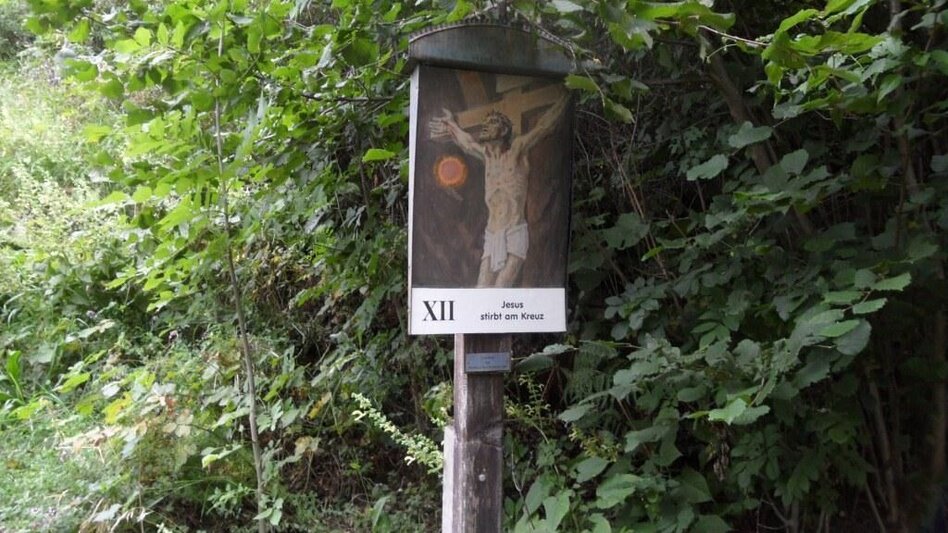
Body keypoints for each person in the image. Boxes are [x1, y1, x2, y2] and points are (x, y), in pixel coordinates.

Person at [429, 94, 567, 288]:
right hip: (492, 235)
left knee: (500, 288)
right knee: (481, 290)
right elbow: (466, 142)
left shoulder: (517, 151)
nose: (485, 125)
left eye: (492, 122)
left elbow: (544, 126)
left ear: (503, 130)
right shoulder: (487, 158)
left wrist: (565, 97)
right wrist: (451, 124)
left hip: (514, 233)